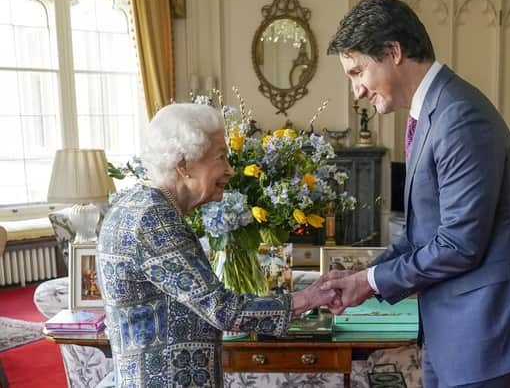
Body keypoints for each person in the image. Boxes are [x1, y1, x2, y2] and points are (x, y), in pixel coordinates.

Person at [322, 0, 510, 388]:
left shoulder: (459, 116)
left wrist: (371, 282)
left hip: (482, 328)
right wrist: (363, 274)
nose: (357, 91)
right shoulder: (432, 111)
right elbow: (422, 234)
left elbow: (459, 244)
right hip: (452, 325)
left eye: (357, 71)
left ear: (393, 52)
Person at [96, 103, 335, 388]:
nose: (231, 170)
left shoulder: (136, 204)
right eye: (221, 158)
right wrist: (307, 299)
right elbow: (221, 309)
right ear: (183, 165)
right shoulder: (153, 219)